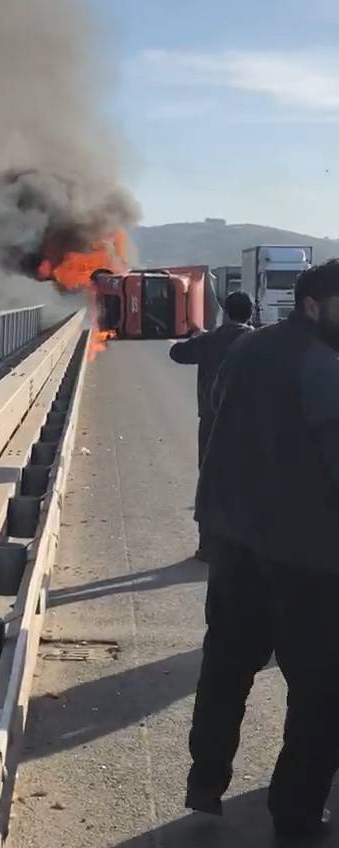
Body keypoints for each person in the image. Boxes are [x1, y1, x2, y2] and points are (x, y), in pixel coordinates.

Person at [186, 259, 339, 840]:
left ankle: (206, 779)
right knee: (320, 688)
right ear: (313, 305)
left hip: (233, 537)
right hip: (305, 557)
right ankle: (296, 812)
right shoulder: (324, 367)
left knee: (226, 663)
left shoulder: (247, 350)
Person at [169, 291, 253, 559]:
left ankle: (208, 546)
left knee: (210, 480)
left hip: (212, 422)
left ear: (225, 313)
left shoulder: (209, 340)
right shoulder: (258, 340)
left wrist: (196, 335)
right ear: (250, 313)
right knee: (247, 479)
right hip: (249, 424)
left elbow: (176, 353)